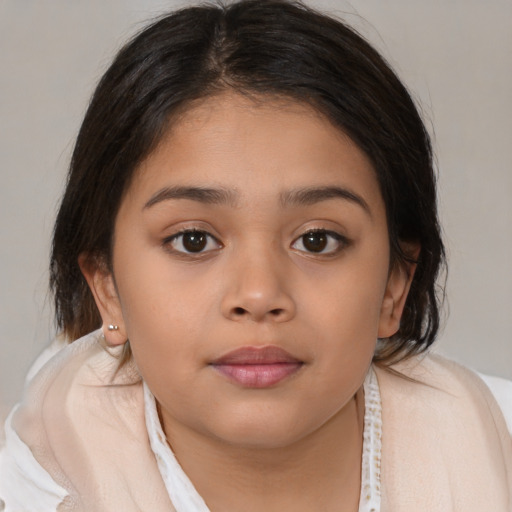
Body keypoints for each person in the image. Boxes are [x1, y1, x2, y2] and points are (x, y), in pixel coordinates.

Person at [0, 1, 510, 510]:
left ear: (395, 285)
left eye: (317, 240)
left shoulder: (494, 449)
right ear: (107, 287)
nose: (259, 295)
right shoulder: (37, 483)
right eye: (193, 240)